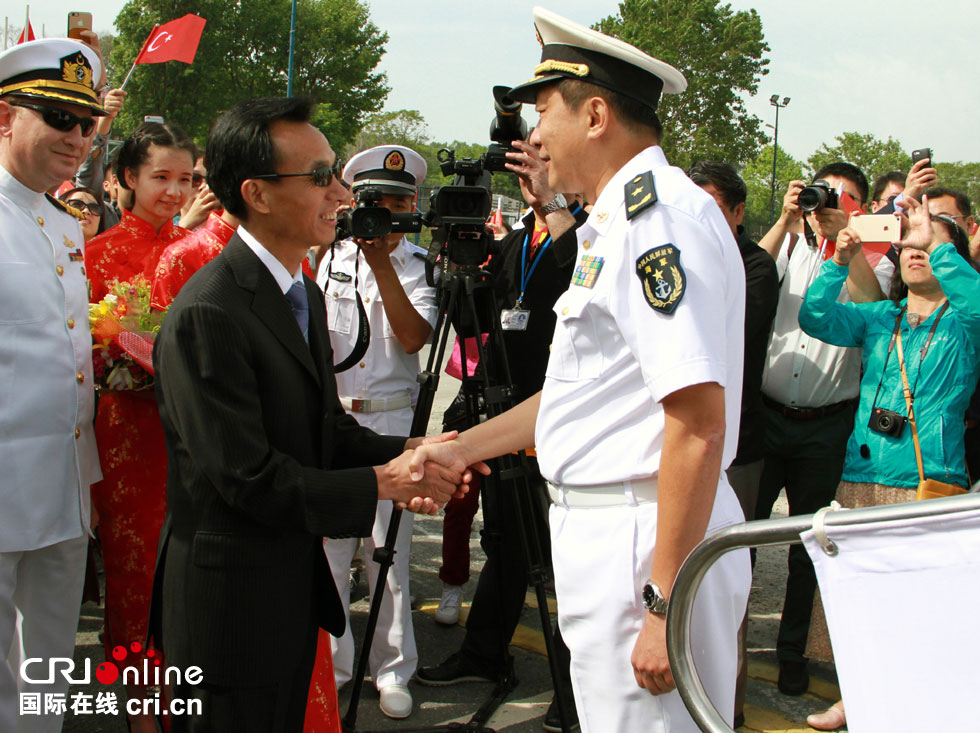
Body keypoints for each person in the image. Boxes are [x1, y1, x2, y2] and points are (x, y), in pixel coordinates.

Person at [409, 9, 750, 731]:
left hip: (647, 543)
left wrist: (664, 599)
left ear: (595, 114)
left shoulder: (660, 222)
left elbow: (696, 421)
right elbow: (575, 394)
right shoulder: (613, 223)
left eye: (542, 113)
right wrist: (458, 447)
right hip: (617, 536)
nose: (532, 136)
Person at [149, 96, 468, 733]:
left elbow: (325, 427)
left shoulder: (299, 291)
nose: (341, 196)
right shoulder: (211, 310)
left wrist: (406, 454)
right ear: (257, 194)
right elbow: (247, 478)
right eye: (320, 177)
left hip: (287, 585)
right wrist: (384, 483)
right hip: (231, 602)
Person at [418, 132, 586, 732]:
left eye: (543, 160)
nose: (532, 173)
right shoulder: (517, 242)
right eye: (525, 164)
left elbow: (581, 267)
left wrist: (553, 206)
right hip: (502, 411)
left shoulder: (587, 233)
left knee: (558, 561)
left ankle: (574, 693)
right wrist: (456, 269)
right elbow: (477, 323)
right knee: (509, 548)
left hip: (558, 418)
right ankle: (483, 653)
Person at [798, 198, 980, 731]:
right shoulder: (883, 316)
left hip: (925, 483)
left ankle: (910, 705)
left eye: (928, 245)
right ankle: (856, 697)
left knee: (918, 605)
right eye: (909, 245)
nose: (914, 251)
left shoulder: (966, 323)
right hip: (861, 478)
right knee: (861, 598)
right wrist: (838, 259)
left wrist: (940, 244)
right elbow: (815, 316)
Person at [753, 163, 895, 697]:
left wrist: (845, 245)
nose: (833, 206)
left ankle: (791, 652)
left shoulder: (875, 261)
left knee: (807, 548)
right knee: (737, 537)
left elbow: (872, 307)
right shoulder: (788, 246)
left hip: (826, 426)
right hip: (767, 417)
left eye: (848, 199)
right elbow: (746, 275)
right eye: (825, 196)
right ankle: (726, 634)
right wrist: (788, 220)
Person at [0, 38, 104, 733]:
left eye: (86, 124)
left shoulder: (62, 223)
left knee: (46, 670)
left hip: (66, 483)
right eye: (57, 117)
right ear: (5, 116)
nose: (76, 138)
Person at [83, 120, 196, 732]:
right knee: (135, 570)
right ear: (128, 178)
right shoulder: (92, 255)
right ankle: (142, 712)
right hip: (128, 435)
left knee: (189, 575)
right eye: (161, 178)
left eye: (186, 179)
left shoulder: (203, 250)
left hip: (196, 439)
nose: (175, 192)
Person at [315, 144, 436, 719]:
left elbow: (414, 338)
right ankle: (334, 667)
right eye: (374, 202)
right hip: (336, 417)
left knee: (387, 555)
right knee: (332, 553)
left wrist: (383, 262)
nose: (386, 213)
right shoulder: (326, 258)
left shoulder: (420, 265)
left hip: (392, 419)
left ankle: (392, 670)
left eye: (398, 201)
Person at [688, 160, 778, 727]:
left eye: (715, 207)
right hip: (681, 447)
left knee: (726, 591)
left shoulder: (754, 267)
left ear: (740, 213)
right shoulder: (681, 257)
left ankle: (729, 711)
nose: (702, 217)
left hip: (734, 455)